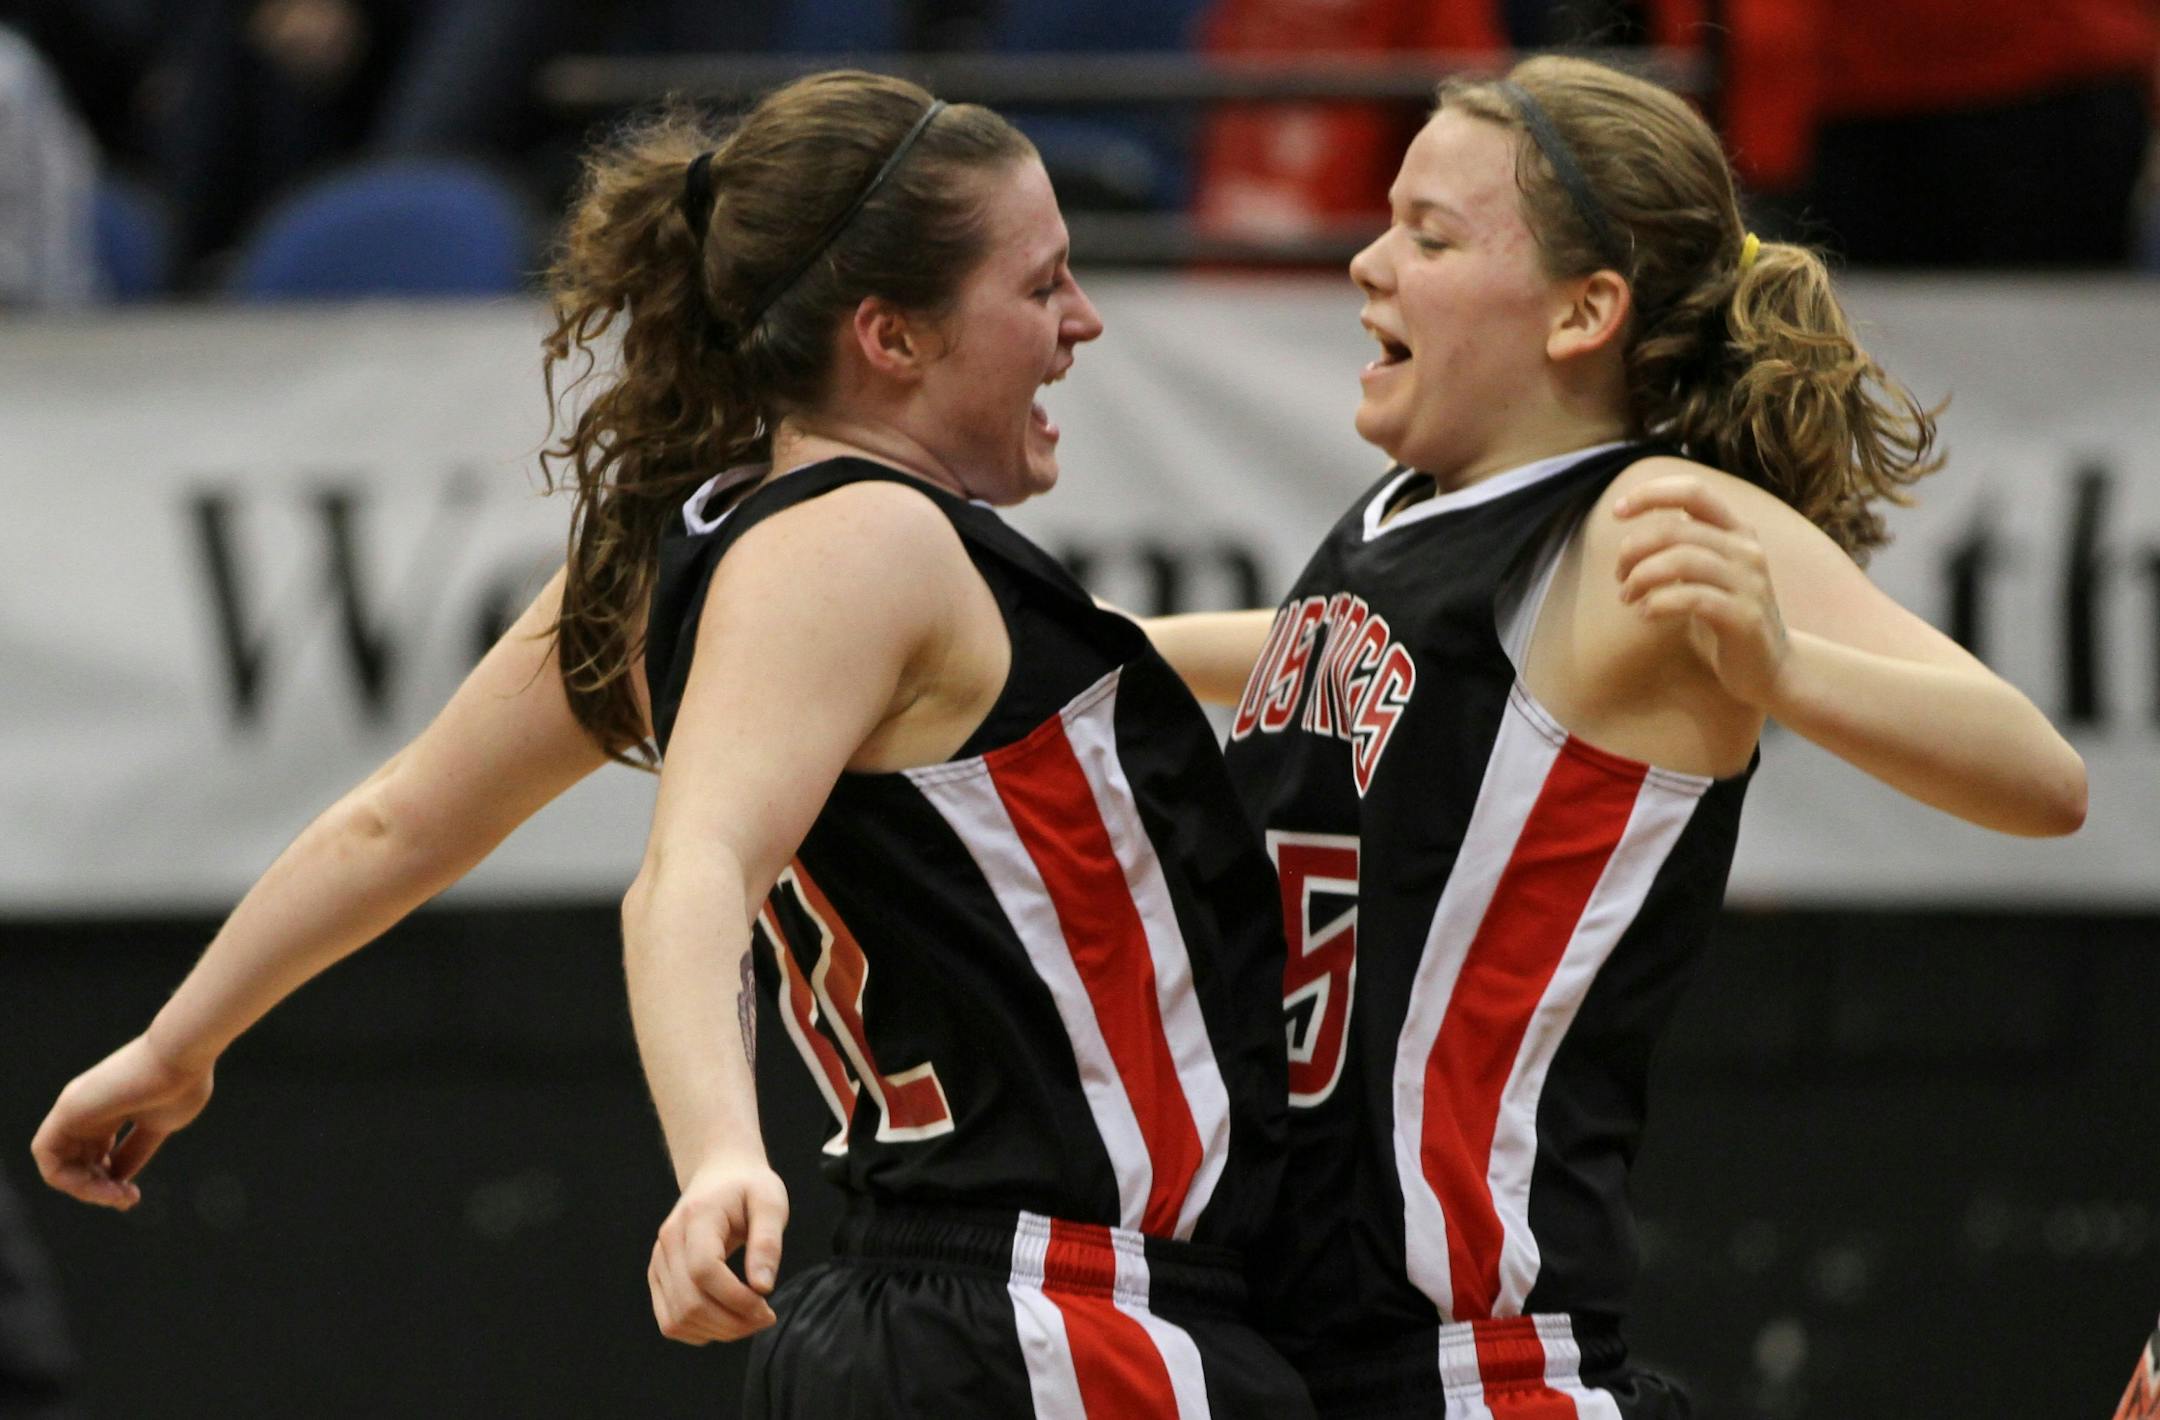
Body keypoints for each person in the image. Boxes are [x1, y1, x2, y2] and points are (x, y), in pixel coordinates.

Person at [32, 70, 1313, 1419]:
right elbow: (693, 869)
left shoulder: (712, 554)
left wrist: (179, 1043)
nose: (1083, 320)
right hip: (1048, 1326)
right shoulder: (860, 542)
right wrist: (716, 1155)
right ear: (892, 335)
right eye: (1042, 284)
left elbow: (398, 822)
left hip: (958, 1324)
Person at [1140, 54, 2087, 1419]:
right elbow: (1298, 652)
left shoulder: (1644, 515)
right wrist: (1084, 651)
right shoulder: (1405, 516)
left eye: (1429, 233)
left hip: (1467, 1364)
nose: (1366, 261)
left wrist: (1781, 664)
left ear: (1585, 311)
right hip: (1287, 1341)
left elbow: (2041, 775)